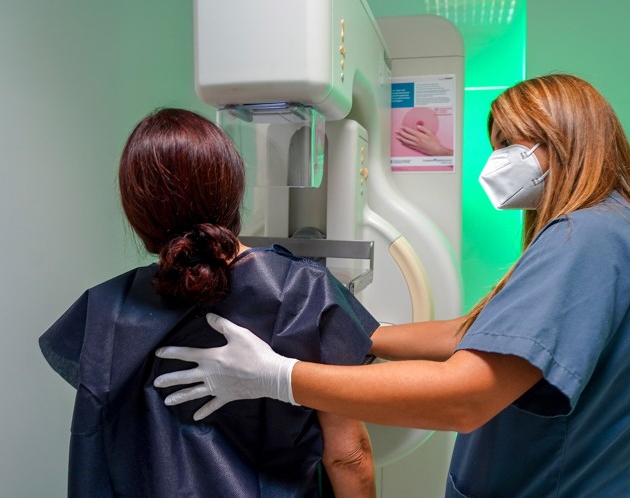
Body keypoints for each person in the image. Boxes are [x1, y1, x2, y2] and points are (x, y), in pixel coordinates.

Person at [153, 74, 630, 497]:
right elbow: (483, 333)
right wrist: (360, 332)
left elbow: (465, 396)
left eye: (512, 143)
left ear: (564, 136)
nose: (497, 160)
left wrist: (280, 376)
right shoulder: (619, 231)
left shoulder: (586, 237)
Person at [39, 108, 377, 498]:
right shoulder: (301, 291)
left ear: (138, 211)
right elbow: (348, 457)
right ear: (232, 190)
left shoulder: (102, 310)